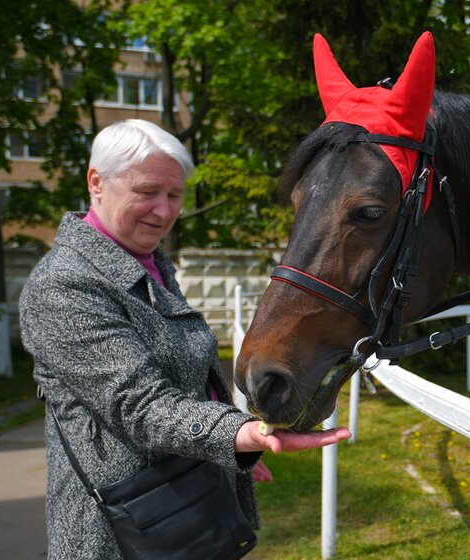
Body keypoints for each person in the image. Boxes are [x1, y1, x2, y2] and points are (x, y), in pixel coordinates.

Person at [19, 119, 350, 559]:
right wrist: (240, 432)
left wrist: (228, 447)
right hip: (120, 532)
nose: (164, 210)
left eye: (174, 195)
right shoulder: (64, 285)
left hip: (181, 503)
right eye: (147, 192)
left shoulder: (148, 262)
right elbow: (141, 405)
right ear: (96, 183)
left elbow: (187, 375)